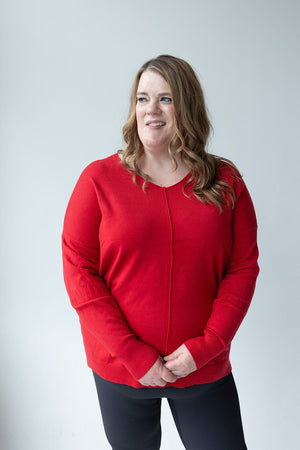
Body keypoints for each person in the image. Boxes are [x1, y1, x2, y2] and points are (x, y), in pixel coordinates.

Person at [62, 54, 259, 450]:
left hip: (203, 372)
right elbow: (79, 272)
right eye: (142, 98)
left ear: (187, 106)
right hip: (121, 372)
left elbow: (242, 269)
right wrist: (134, 356)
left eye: (165, 98)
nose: (151, 110)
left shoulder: (225, 182)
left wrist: (206, 348)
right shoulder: (99, 180)